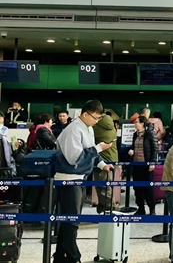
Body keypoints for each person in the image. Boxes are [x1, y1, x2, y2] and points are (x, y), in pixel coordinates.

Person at [53, 100, 114, 263]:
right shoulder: (73, 129)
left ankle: (60, 256)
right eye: (95, 117)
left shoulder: (88, 128)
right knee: (72, 221)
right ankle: (74, 257)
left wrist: (102, 164)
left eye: (99, 118)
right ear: (85, 114)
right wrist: (99, 148)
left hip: (79, 178)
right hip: (68, 180)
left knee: (69, 220)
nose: (97, 121)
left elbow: (90, 151)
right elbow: (75, 159)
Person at [128, 115, 158, 215]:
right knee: (137, 188)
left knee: (148, 188)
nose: (135, 124)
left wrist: (152, 162)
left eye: (137, 122)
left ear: (142, 123)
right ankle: (141, 208)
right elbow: (133, 146)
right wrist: (131, 150)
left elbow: (155, 149)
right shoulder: (135, 135)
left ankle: (152, 209)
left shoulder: (150, 134)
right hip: (136, 164)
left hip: (147, 165)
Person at [92, 111, 118, 213]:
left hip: (103, 160)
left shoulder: (96, 128)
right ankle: (105, 208)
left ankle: (109, 209)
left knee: (103, 187)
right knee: (105, 186)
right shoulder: (111, 127)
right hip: (111, 158)